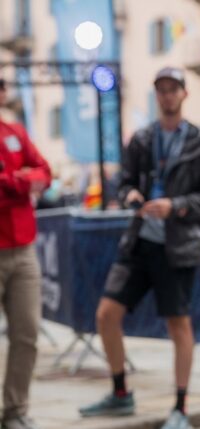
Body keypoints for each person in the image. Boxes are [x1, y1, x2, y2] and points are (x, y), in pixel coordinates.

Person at [78, 67, 200, 429]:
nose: (167, 95)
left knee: (178, 324)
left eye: (173, 89)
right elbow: (122, 183)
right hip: (140, 239)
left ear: (184, 94)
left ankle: (181, 408)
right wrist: (132, 195)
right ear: (156, 95)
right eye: (161, 90)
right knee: (107, 314)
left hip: (179, 245)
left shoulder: (198, 142)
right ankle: (120, 392)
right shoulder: (142, 138)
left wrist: (176, 206)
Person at [0, 78, 51, 429]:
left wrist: (14, 180)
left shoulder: (15, 131)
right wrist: (21, 182)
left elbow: (45, 172)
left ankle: (15, 410)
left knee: (27, 332)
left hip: (23, 249)